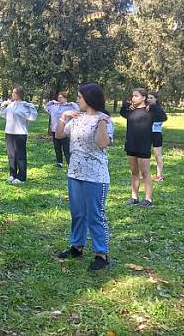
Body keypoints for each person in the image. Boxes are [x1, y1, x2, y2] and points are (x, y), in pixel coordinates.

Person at [55, 83, 112, 271]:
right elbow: (59, 134)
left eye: (79, 97)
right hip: (75, 173)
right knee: (77, 213)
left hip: (95, 176)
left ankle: (101, 255)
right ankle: (76, 247)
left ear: (89, 98)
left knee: (95, 215)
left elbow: (102, 144)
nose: (77, 100)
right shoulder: (77, 118)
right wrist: (63, 117)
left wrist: (101, 123)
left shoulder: (104, 120)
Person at [120, 88, 167, 206]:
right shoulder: (130, 110)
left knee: (145, 173)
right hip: (131, 144)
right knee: (134, 172)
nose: (133, 98)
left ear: (143, 97)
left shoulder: (150, 110)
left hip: (143, 145)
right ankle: (134, 197)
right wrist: (128, 105)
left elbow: (163, 117)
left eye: (136, 96)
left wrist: (152, 106)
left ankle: (148, 199)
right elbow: (122, 111)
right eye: (132, 96)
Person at [0, 86, 38, 184]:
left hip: (20, 132)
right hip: (9, 132)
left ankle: (21, 177)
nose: (12, 94)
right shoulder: (11, 105)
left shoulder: (24, 106)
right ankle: (12, 174)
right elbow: (3, 114)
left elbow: (33, 117)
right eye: (12, 92)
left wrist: (31, 106)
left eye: (14, 93)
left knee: (20, 155)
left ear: (19, 94)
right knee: (11, 155)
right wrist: (3, 105)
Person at [45, 92, 80, 167]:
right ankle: (59, 162)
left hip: (65, 131)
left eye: (61, 97)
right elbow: (46, 107)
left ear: (65, 98)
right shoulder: (54, 107)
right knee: (57, 147)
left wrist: (72, 103)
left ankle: (70, 164)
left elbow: (78, 110)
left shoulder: (70, 107)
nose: (59, 99)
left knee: (66, 148)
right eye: (58, 97)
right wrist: (52, 101)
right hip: (55, 130)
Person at [147, 91, 168, 181]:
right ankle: (144, 174)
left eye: (151, 98)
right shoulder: (145, 108)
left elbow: (164, 118)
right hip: (146, 133)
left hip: (156, 133)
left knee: (157, 155)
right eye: (148, 98)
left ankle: (159, 176)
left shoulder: (158, 109)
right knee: (144, 154)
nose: (149, 100)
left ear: (156, 99)